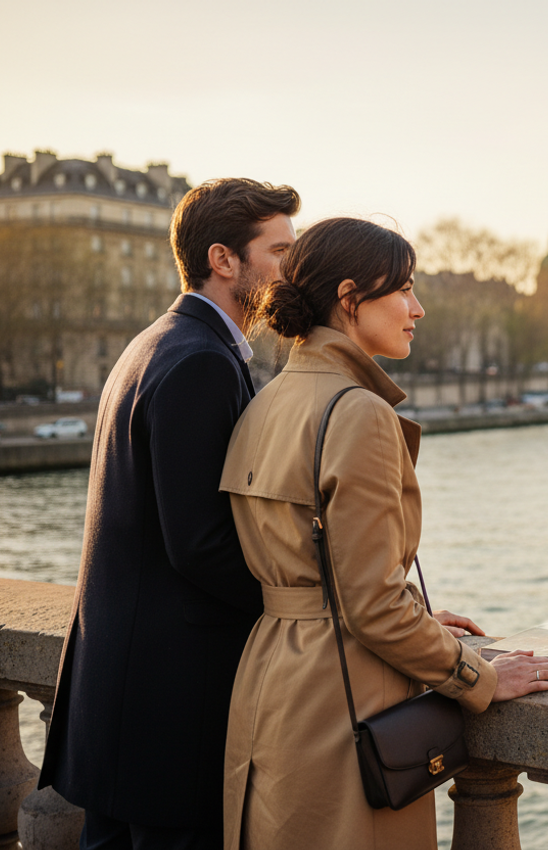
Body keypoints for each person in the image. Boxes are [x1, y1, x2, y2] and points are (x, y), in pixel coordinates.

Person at [217, 217, 548, 850]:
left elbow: (310, 564)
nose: (418, 308)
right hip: (343, 698)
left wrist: (422, 617)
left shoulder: (266, 400)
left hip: (270, 680)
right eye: (403, 290)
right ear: (350, 299)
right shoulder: (358, 413)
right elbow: (370, 607)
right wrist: (481, 677)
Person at [38, 178, 300, 850]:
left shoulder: (153, 343)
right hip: (168, 708)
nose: (290, 270)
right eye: (279, 251)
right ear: (224, 259)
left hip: (120, 699)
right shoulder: (201, 362)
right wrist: (309, 606)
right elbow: (200, 545)